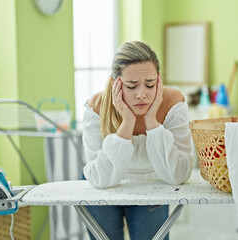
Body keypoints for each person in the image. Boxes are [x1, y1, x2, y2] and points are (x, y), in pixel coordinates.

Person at [82, 41, 195, 240]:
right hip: (105, 187)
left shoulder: (173, 101)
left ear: (158, 80)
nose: (141, 94)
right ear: (115, 83)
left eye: (150, 84)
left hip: (152, 183)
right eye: (131, 86)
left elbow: (178, 175)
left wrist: (152, 121)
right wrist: (127, 123)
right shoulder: (97, 105)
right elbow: (100, 178)